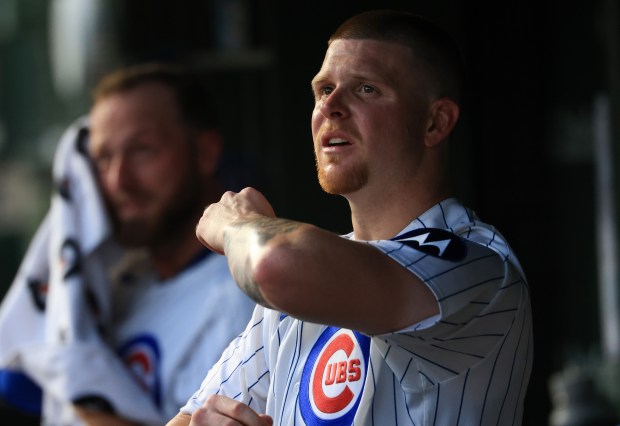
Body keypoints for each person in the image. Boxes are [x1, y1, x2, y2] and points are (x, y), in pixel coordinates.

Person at [168, 9, 533, 426]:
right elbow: (184, 419)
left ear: (435, 122)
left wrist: (235, 224)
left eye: (365, 88)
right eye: (323, 90)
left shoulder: (479, 264)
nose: (331, 107)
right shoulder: (296, 286)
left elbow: (273, 265)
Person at [0, 63, 256, 425]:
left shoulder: (242, 299)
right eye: (103, 159)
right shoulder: (114, 287)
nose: (118, 180)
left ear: (205, 153)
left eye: (142, 150)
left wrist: (74, 385)